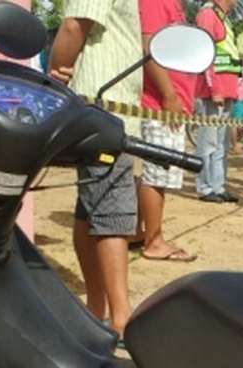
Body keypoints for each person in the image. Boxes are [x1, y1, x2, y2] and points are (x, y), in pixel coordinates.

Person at [48, 0, 142, 337]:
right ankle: (121, 320)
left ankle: (96, 311)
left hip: (100, 112)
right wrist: (57, 70)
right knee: (112, 214)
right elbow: (74, 25)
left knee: (89, 212)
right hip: (104, 113)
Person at [137, 0, 198, 262]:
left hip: (172, 102)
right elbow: (148, 45)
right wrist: (169, 95)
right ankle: (153, 240)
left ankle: (139, 232)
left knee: (158, 172)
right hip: (160, 104)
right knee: (158, 172)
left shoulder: (174, 5)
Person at [194, 0, 242, 203]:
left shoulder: (224, 18)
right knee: (209, 141)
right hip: (214, 91)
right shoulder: (208, 14)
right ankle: (205, 187)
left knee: (221, 142)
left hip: (227, 89)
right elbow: (205, 53)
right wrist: (214, 89)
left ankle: (218, 185)